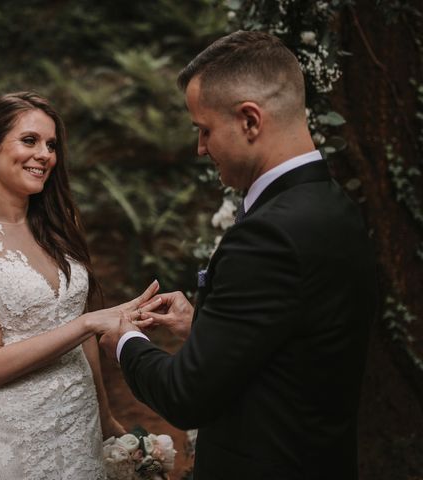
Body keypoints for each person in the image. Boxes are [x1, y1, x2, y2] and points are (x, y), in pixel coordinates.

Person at [98, 31, 377, 479]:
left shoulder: (268, 235)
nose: (200, 148)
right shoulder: (332, 207)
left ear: (250, 120)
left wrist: (126, 344)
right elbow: (295, 343)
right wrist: (205, 327)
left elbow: (186, 396)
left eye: (204, 130)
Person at [0, 91, 157, 479]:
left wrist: (105, 420)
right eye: (30, 140)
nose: (45, 155)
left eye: (51, 145)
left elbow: (80, 331)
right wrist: (89, 322)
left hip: (78, 418)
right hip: (11, 430)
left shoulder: (61, 223)